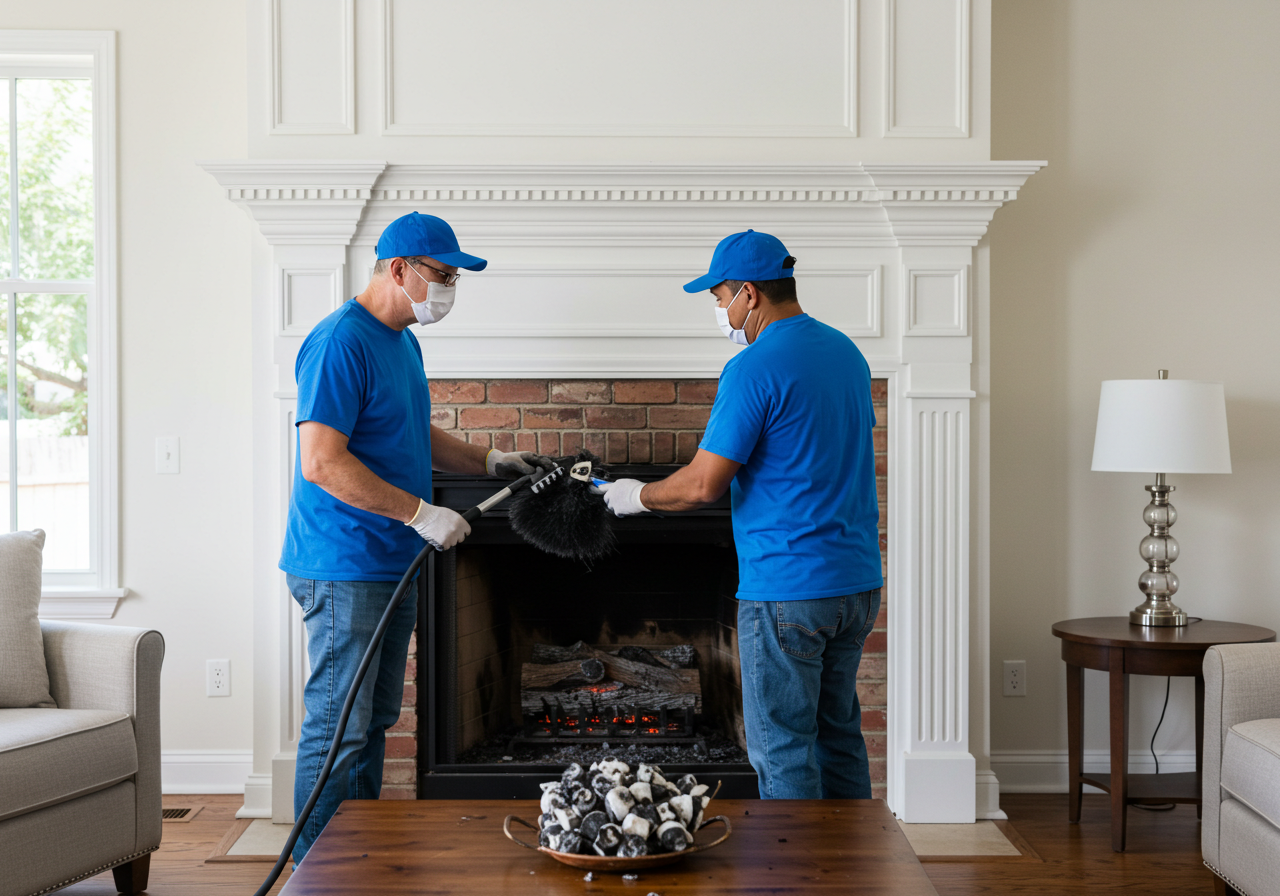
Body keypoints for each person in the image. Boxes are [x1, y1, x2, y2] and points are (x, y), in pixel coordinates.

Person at [278, 212, 549, 863]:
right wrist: (419, 514)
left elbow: (413, 435)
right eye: (443, 275)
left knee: (371, 722)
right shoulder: (340, 341)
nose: (449, 289)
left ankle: (355, 854)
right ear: (398, 269)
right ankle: (320, 871)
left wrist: (487, 463)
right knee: (339, 728)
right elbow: (322, 461)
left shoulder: (402, 341)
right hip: (345, 565)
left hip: (387, 563)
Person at [598, 229, 883, 799]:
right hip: (855, 586)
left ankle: (796, 882)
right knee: (838, 736)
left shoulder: (754, 367)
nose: (719, 310)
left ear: (748, 293)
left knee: (782, 748)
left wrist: (634, 496)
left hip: (787, 591)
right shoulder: (846, 353)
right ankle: (857, 873)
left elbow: (704, 485)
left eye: (719, 296)